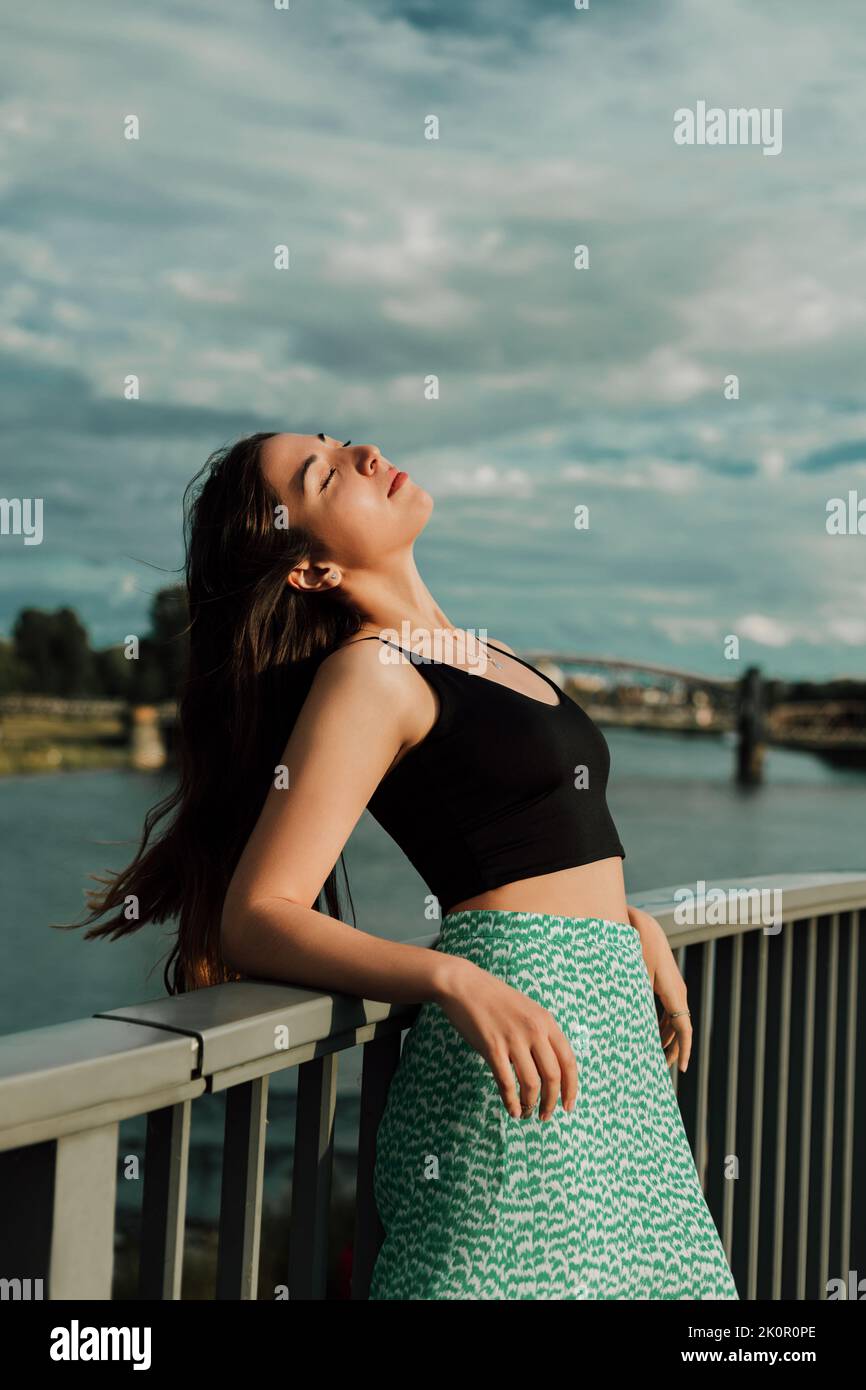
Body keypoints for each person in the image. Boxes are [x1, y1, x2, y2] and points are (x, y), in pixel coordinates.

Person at [69, 430, 739, 1301]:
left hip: (608, 1049)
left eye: (343, 442)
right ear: (310, 572)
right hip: (512, 1053)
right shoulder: (370, 675)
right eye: (324, 473)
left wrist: (626, 927)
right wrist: (451, 980)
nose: (364, 453)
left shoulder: (481, 652)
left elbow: (541, 837)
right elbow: (258, 911)